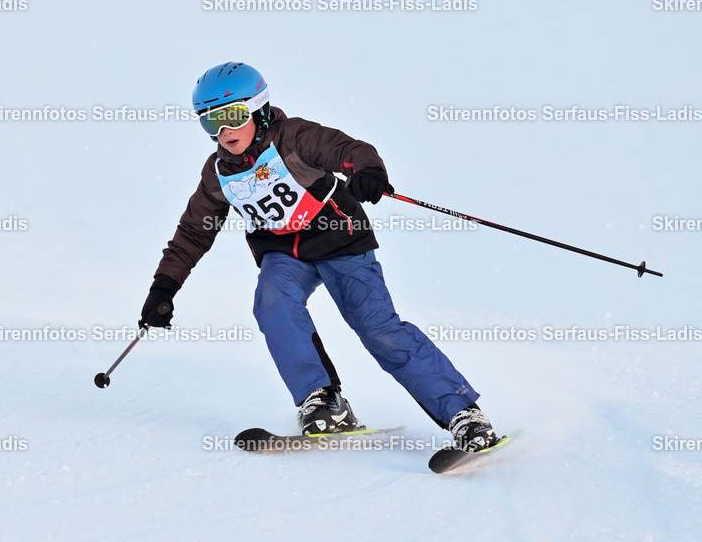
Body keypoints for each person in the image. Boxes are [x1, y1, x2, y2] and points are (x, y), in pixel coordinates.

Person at [139, 62, 498, 451]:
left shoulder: (294, 137)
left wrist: (368, 171)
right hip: (284, 253)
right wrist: (165, 286)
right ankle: (324, 402)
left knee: (377, 328)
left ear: (258, 108)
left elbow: (350, 150)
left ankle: (464, 414)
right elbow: (193, 231)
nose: (223, 132)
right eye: (210, 123)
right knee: (272, 301)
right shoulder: (218, 174)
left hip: (340, 241)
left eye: (232, 117)